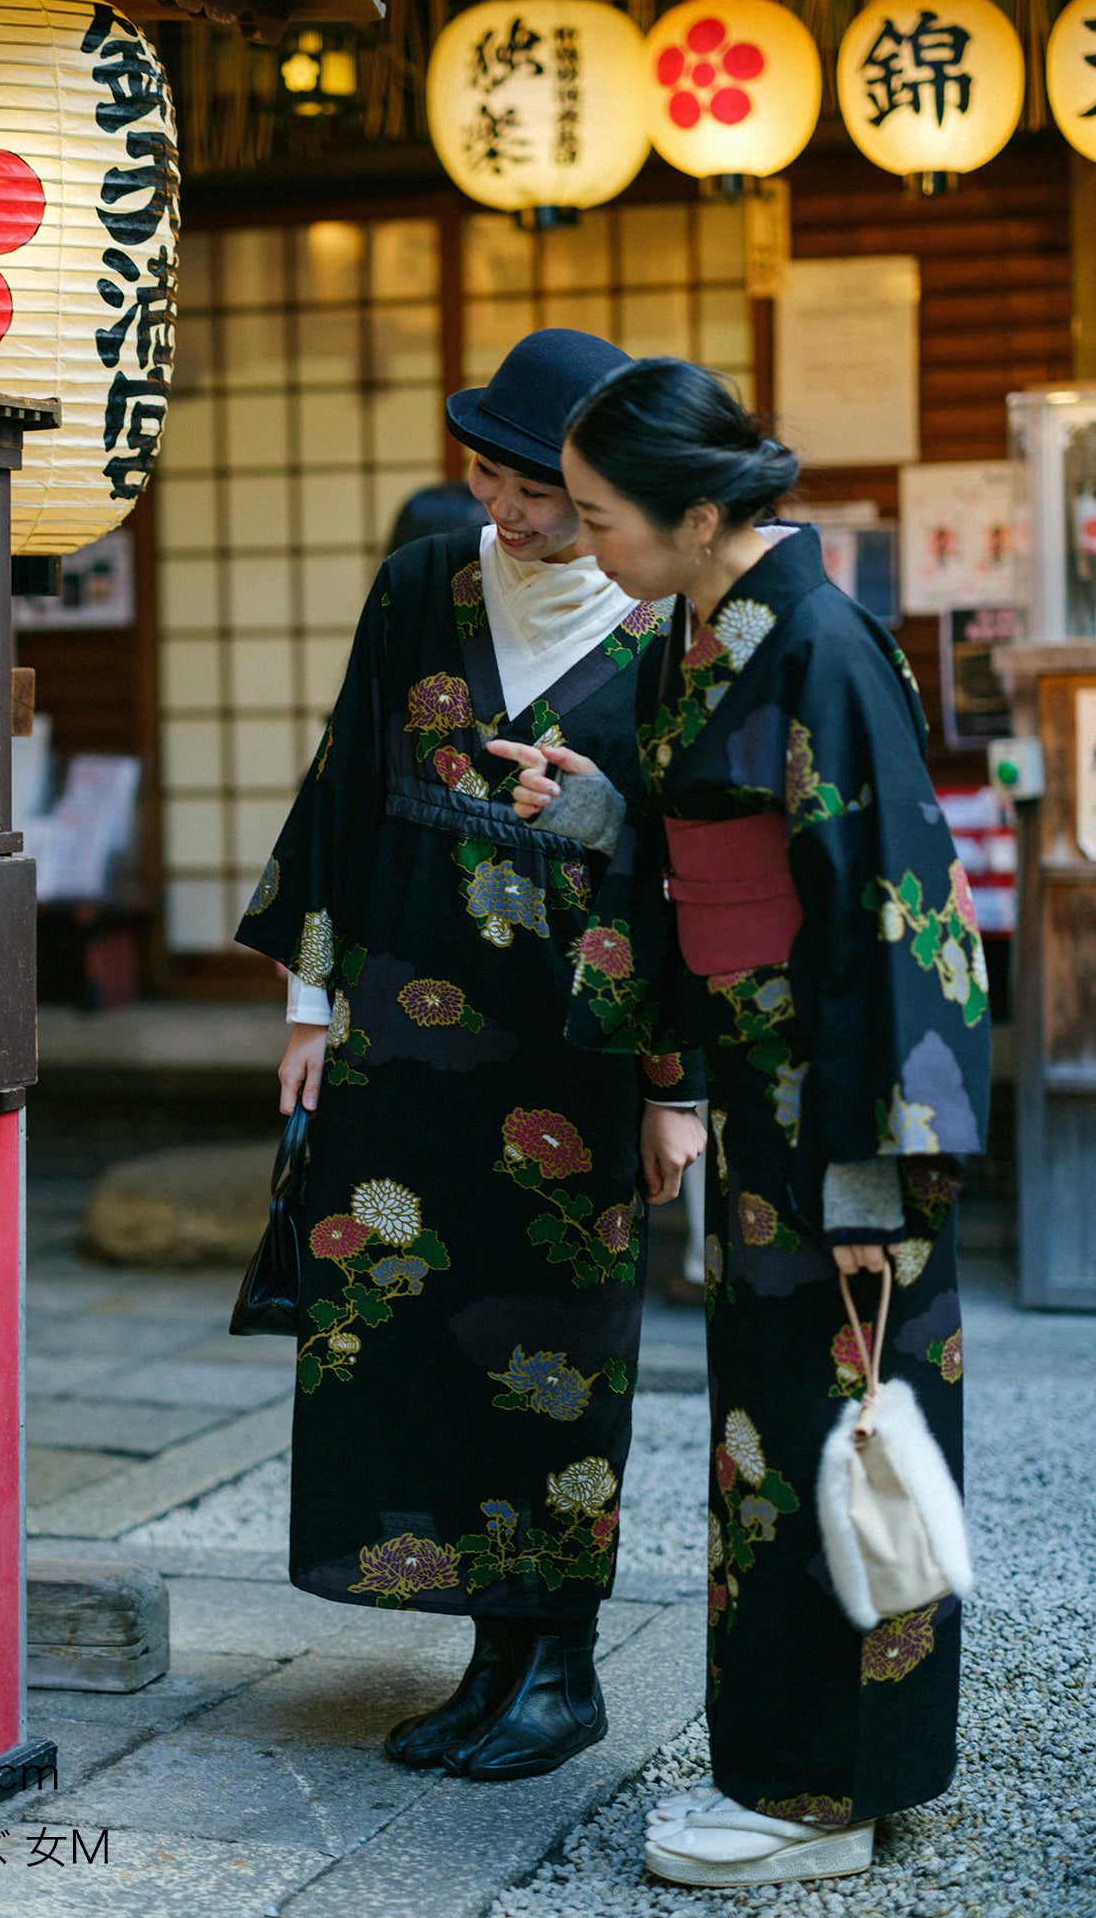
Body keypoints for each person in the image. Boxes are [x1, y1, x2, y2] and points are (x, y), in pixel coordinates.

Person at [497, 357, 989, 1882]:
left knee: (830, 1425)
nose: (581, 541)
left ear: (697, 511)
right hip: (772, 1090)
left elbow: (891, 910)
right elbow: (677, 826)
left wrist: (873, 1149)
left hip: (838, 1107)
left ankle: (819, 1797)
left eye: (597, 515)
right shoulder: (702, 635)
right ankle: (791, 1770)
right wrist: (599, 812)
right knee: (767, 1435)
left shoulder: (819, 647)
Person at [234, 329, 703, 1783]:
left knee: (555, 1353)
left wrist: (677, 1084)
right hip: (401, 1012)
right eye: (488, 477)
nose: (505, 508)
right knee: (406, 1339)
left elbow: (701, 865)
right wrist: (310, 1009)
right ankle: (479, 1655)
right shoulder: (420, 582)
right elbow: (343, 793)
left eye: (539, 490)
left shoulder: (669, 626)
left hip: (577, 1044)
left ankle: (556, 1668)